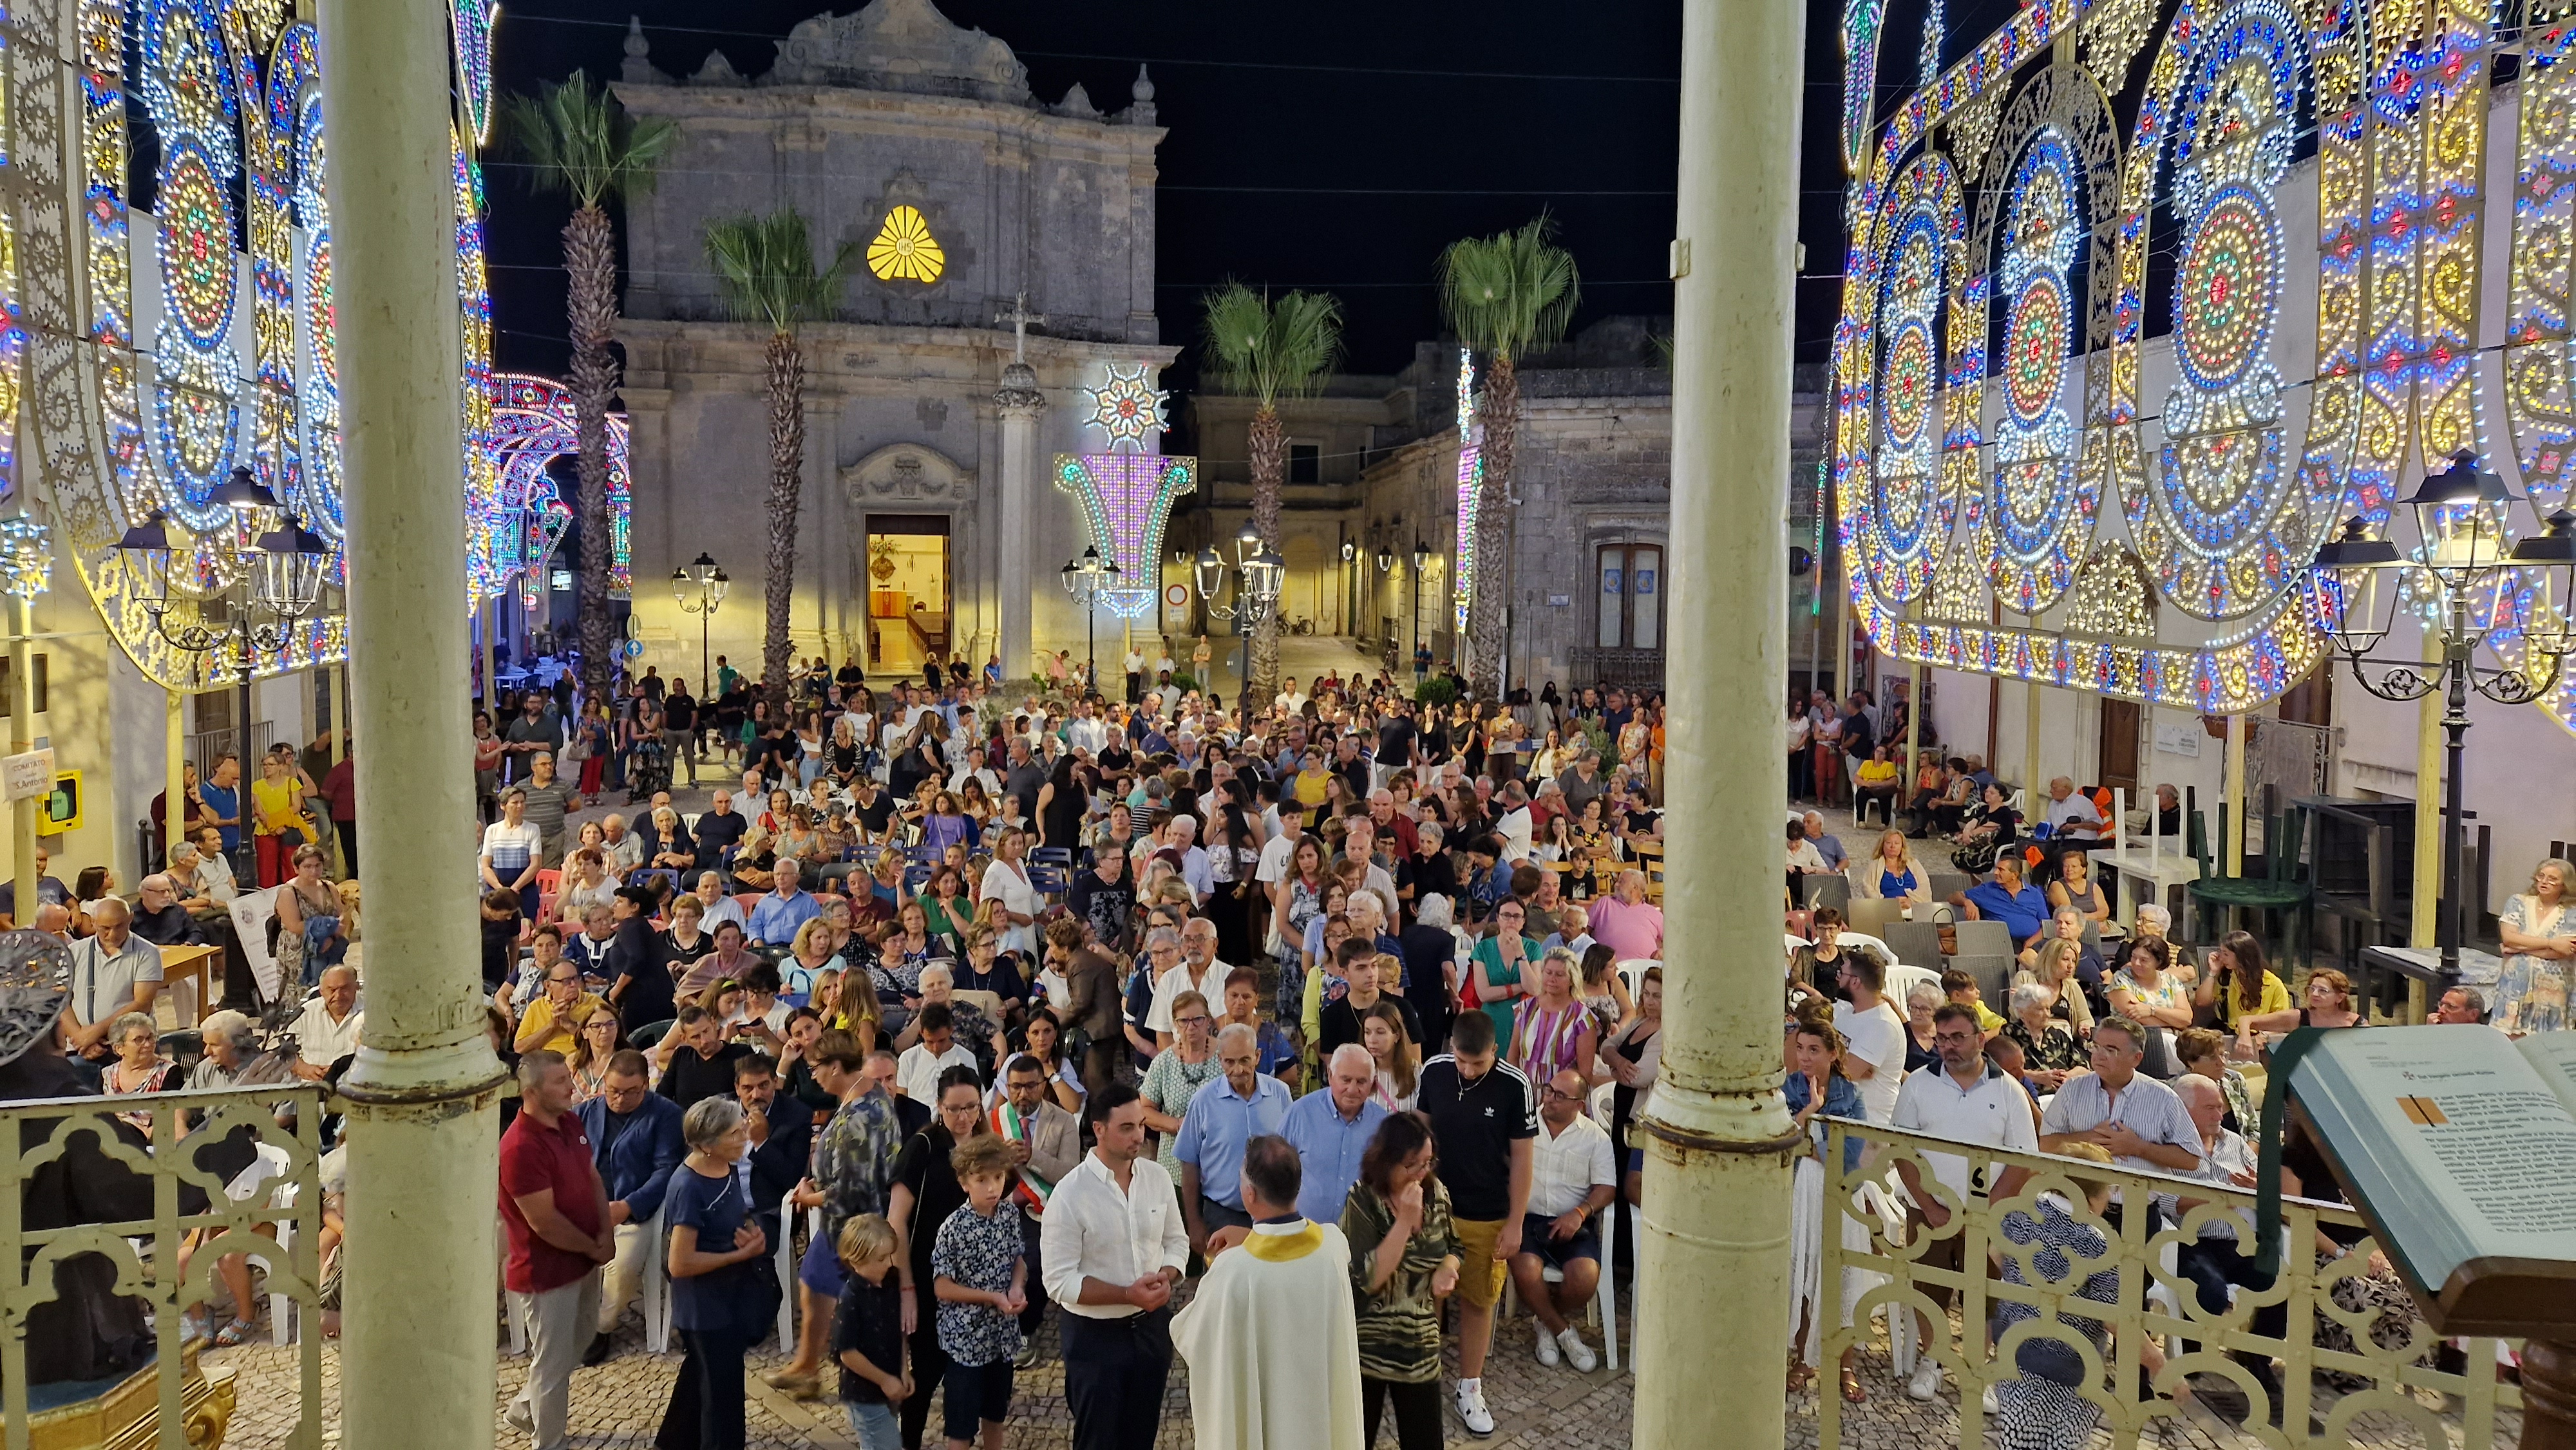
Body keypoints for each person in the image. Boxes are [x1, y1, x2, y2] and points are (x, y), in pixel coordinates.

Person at [1171, 1135, 1366, 1450]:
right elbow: (1286, 1245)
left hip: (1265, 1421)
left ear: (1249, 1194)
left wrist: (1241, 1247)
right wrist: (1251, 1238)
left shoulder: (1232, 1271)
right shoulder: (1333, 1246)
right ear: (1297, 1187)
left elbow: (1193, 1336)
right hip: (1319, 1417)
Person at [1889, 1003, 2041, 1401]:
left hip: (1989, 1214)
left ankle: (1981, 1368)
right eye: (1941, 1039)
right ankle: (1932, 1360)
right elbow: (1902, 1150)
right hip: (1929, 1208)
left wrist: (1985, 1209)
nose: (1948, 1047)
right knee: (1928, 1287)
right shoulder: (1918, 1084)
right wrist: (1931, 1206)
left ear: (1979, 1038)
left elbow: (2023, 1159)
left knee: (1986, 1291)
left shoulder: (2010, 1091)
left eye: (1957, 1037)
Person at [1043, 1082, 1187, 1450]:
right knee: (1097, 1441)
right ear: (1099, 1129)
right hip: (1094, 1338)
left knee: (1141, 1436)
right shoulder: (1070, 1194)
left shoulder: (1156, 1178)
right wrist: (1126, 1293)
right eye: (1127, 1128)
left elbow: (1176, 1242)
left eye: (1141, 1125)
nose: (1139, 1135)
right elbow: (1059, 1282)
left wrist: (1167, 1276)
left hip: (1151, 1330)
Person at [1412, 1010, 1534, 1436]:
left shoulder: (1516, 1085)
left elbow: (1522, 1159)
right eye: (1462, 1062)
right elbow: (1421, 1137)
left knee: (1478, 1300)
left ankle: (1469, 1385)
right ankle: (1424, 1376)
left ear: (1495, 1052)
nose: (1467, 1071)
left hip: (1487, 1209)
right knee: (1429, 1295)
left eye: (1478, 1064)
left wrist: (1516, 1222)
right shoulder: (1434, 1072)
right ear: (1452, 1050)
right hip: (1435, 1210)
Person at [498, 1051, 612, 1450]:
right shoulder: (519, 1148)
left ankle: (526, 1407)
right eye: (560, 1080)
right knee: (551, 1364)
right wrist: (593, 1246)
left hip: (583, 1258)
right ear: (532, 1092)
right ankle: (549, 1443)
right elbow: (543, 1222)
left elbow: (591, 1175)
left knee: (579, 1343)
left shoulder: (570, 1120)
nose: (572, 1085)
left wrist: (605, 1232)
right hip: (545, 1271)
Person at [1988, 1142, 2123, 1449]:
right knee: (2062, 1442)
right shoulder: (2096, 1241)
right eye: (2109, 1192)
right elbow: (2113, 1317)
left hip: (2016, 1350)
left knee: (2018, 1437)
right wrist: (2157, 1363)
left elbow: (1995, 1256)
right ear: (2091, 1198)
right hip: (2070, 1364)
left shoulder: (2021, 1215)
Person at [1340, 1110, 1460, 1450]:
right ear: (1386, 1161)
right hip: (1368, 1349)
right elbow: (1366, 1279)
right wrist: (1405, 1222)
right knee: (1355, 1440)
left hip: (1420, 1348)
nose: (1422, 1173)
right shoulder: (1363, 1200)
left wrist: (1447, 1268)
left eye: (1428, 1162)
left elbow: (1455, 1246)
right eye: (1412, 1165)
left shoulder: (1436, 1192)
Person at [658, 1096, 771, 1450]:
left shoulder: (727, 1166)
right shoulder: (688, 1186)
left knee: (700, 1378)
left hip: (730, 1297)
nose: (744, 1138)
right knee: (722, 1401)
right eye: (735, 1134)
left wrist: (751, 1233)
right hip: (705, 1308)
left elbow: (731, 1218)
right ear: (707, 1145)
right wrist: (738, 1255)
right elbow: (680, 1263)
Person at [888, 1069, 990, 1450]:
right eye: (953, 1109)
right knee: (927, 1372)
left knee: (966, 1374)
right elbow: (896, 1220)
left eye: (970, 1108)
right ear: (939, 1107)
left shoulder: (984, 1144)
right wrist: (907, 1286)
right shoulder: (924, 1146)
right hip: (926, 1277)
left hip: (973, 1280)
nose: (963, 1117)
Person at [574, 1049, 685, 1363]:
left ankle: (601, 1326)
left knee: (623, 1266)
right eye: (613, 1091)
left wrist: (628, 1206)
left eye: (630, 1092)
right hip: (585, 1208)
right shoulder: (585, 1113)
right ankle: (565, 1321)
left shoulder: (666, 1116)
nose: (620, 1099)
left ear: (646, 1086)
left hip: (635, 1210)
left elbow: (667, 1170)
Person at [1781, 1017, 1868, 1402]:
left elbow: (1852, 1154)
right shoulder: (1789, 1089)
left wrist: (1812, 1142)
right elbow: (1782, 1140)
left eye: (1814, 1050)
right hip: (1802, 1188)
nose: (1805, 1057)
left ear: (1832, 1054)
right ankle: (1804, 1357)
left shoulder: (1851, 1096)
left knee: (1839, 1273)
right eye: (1800, 1048)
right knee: (1803, 1270)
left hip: (1838, 1190)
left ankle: (1844, 1361)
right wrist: (1810, 1112)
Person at [1508, 1068, 1616, 1374]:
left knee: (1585, 1278)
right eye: (1548, 1090)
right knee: (1527, 1271)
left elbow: (1607, 1187)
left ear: (1579, 1105)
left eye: (1559, 1095)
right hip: (1528, 1218)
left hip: (1572, 1220)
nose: (1549, 1098)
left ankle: (1544, 1320)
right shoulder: (1524, 1125)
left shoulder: (1594, 1137)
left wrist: (1580, 1213)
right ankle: (1564, 1333)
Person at [930, 1133, 1027, 1450]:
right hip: (966, 1341)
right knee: (960, 1425)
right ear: (964, 1183)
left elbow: (1019, 1261)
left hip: (1001, 1337)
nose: (992, 1188)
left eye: (998, 1178)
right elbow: (942, 1287)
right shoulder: (954, 1228)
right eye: (982, 1180)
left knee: (996, 1414)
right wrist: (991, 1297)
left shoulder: (1009, 1215)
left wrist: (1015, 1288)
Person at [2038, 1017, 2201, 1193]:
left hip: (2138, 1210)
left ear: (2136, 1058)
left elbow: (2191, 1159)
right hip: (2078, 1206)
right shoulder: (2071, 1090)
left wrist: (2139, 1148)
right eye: (2096, 1047)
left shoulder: (2164, 1098)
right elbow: (2045, 1145)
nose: (2099, 1056)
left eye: (2111, 1050)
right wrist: (2089, 1138)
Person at [1175, 1023, 1293, 1252]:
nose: (1238, 1070)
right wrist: (1194, 1224)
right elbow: (1189, 1165)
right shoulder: (1203, 1102)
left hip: (1273, 1214)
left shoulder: (1280, 1093)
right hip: (1222, 1215)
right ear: (1219, 1060)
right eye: (1229, 1062)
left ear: (1257, 1057)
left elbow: (1293, 1153)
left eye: (1245, 1060)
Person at [1281, 1044, 1390, 1228]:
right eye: (1346, 1080)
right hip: (1304, 1232)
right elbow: (1275, 1173)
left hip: (1360, 1235)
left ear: (1373, 1082)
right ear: (1330, 1076)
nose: (1353, 1089)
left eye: (1361, 1082)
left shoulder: (1383, 1125)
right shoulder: (1300, 1114)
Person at [832, 1214, 912, 1450]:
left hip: (889, 1387)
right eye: (881, 1258)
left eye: (890, 1255)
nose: (889, 1263)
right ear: (856, 1260)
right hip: (864, 1394)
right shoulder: (850, 1299)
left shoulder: (890, 1283)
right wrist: (885, 1380)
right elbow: (847, 1353)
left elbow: (900, 1331)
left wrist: (902, 1370)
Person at [63, 898, 164, 1065]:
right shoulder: (75, 952)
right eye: (105, 929)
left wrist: (95, 1032)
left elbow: (142, 1003)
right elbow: (60, 1001)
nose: (113, 934)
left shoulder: (147, 953)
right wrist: (81, 1038)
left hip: (129, 1048)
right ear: (94, 923)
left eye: (119, 926)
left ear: (130, 918)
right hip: (81, 1047)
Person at [2493, 856, 2575, 1034]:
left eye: (2553, 879)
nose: (2544, 882)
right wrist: (2551, 943)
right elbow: (2509, 938)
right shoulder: (2518, 902)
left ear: (2565, 885)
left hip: (2552, 991)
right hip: (2514, 987)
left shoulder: (2572, 911)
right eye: (2541, 876)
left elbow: (2565, 951)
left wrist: (2519, 948)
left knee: (2546, 1045)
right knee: (2509, 1040)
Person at [1829, 954, 1906, 1125]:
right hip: (1841, 1114)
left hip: (1870, 1124)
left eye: (1841, 973)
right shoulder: (1847, 1014)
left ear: (1856, 982)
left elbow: (1844, 1075)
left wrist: (1843, 1064)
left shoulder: (1881, 1025)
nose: (1837, 978)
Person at [2192, 930, 2289, 1033]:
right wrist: (2213, 972)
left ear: (2241, 956)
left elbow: (2283, 1022)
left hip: (2260, 1036)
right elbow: (2201, 1001)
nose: (2221, 957)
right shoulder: (2227, 976)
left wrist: (2264, 1036)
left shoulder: (2273, 984)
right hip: (2232, 1032)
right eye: (2220, 952)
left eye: (2226, 954)